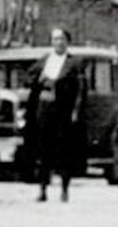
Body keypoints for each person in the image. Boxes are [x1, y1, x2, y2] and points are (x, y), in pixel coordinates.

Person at [24, 26, 86, 203]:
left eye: (62, 39)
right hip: (44, 109)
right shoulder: (44, 60)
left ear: (67, 42)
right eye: (55, 39)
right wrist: (40, 79)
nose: (58, 42)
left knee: (64, 150)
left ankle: (64, 189)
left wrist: (76, 111)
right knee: (44, 150)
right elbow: (28, 77)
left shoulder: (74, 63)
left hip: (63, 111)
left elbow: (81, 90)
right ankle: (42, 188)